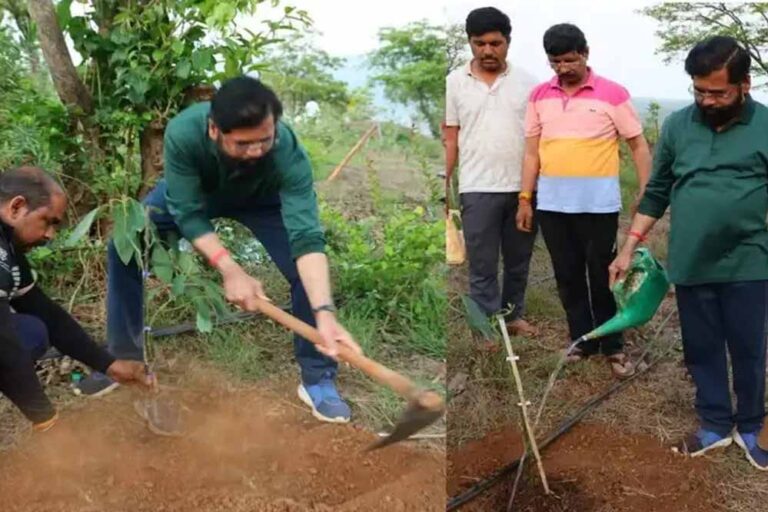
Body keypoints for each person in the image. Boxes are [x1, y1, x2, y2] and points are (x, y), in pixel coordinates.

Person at [75, 76, 362, 424]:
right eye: (243, 143)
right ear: (214, 130)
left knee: (303, 271)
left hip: (264, 201)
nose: (256, 151)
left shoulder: (287, 151)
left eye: (265, 140)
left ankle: (317, 378)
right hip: (198, 195)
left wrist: (325, 313)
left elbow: (307, 239)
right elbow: (187, 212)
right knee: (126, 243)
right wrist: (231, 269)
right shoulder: (184, 133)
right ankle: (122, 359)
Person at [610, 36, 768, 469]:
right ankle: (714, 425)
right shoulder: (679, 126)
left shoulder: (764, 125)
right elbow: (657, 191)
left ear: (745, 85)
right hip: (691, 260)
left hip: (750, 261)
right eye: (699, 91)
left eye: (718, 92)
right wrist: (629, 247)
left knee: (749, 348)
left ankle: (751, 426)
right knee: (701, 346)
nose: (708, 101)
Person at [517, 23, 652, 378]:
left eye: (569, 60)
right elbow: (531, 153)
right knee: (568, 275)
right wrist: (525, 198)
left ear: (585, 53)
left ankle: (613, 344)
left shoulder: (612, 94)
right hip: (552, 206)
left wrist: (646, 189)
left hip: (598, 207)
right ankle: (581, 339)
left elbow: (638, 145)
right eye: (555, 62)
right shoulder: (539, 96)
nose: (563, 68)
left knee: (604, 274)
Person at [0, 166, 153, 431]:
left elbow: (44, 312)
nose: (50, 235)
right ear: (16, 207)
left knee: (31, 332)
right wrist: (46, 420)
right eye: (48, 221)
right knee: (16, 339)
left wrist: (109, 365)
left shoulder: (9, 250)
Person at [444, 7, 539, 342]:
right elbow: (451, 137)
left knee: (518, 260)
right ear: (470, 42)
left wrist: (529, 191)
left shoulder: (528, 83)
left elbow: (536, 140)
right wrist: (445, 185)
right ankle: (486, 328)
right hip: (476, 187)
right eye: (479, 43)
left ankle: (513, 317)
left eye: (495, 43)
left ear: (507, 42)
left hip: (522, 188)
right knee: (482, 263)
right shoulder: (454, 82)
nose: (487, 50)